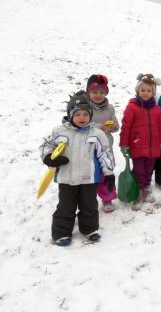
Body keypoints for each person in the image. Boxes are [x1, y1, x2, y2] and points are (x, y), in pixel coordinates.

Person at [40, 91, 115, 246]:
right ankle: (61, 233)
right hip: (66, 179)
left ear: (90, 115)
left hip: (89, 178)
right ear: (70, 114)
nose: (82, 118)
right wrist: (49, 157)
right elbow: (45, 145)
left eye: (85, 114)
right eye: (78, 114)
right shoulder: (60, 132)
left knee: (89, 205)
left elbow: (105, 154)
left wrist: (109, 173)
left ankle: (90, 229)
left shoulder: (97, 134)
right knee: (65, 207)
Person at [120, 74, 161, 211]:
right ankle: (137, 192)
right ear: (138, 91)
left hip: (153, 147)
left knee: (149, 170)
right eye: (143, 90)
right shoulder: (132, 107)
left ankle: (146, 188)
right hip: (137, 145)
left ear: (153, 93)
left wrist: (160, 142)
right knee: (139, 170)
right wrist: (124, 144)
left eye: (149, 91)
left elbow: (159, 127)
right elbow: (125, 127)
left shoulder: (156, 109)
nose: (145, 93)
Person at [85, 74, 120, 213]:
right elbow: (84, 125)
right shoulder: (86, 107)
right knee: (92, 174)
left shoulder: (110, 108)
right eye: (94, 92)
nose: (98, 95)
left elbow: (116, 126)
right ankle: (89, 200)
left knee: (107, 172)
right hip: (91, 148)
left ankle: (107, 198)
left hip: (106, 148)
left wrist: (113, 126)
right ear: (89, 92)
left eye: (101, 92)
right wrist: (101, 127)